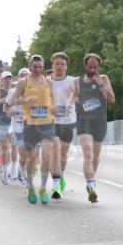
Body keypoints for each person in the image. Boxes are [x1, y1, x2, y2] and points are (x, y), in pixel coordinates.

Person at [7, 55, 57, 204]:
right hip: (30, 124)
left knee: (47, 155)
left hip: (47, 123)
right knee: (32, 157)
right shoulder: (23, 82)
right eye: (35, 67)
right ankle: (30, 187)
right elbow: (12, 100)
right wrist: (24, 100)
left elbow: (53, 99)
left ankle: (42, 188)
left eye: (40, 67)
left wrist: (54, 109)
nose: (38, 69)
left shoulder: (48, 81)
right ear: (30, 67)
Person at [69, 53, 114, 203]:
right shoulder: (77, 81)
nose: (93, 69)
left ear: (99, 67)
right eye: (90, 66)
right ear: (85, 66)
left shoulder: (104, 79)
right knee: (88, 154)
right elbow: (73, 96)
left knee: (95, 156)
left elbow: (111, 99)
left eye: (95, 67)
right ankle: (91, 186)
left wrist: (99, 83)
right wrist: (73, 102)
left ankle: (91, 179)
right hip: (84, 121)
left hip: (99, 122)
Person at [49, 52, 76, 199]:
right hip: (52, 121)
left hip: (68, 121)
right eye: (57, 63)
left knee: (63, 154)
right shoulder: (47, 81)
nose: (59, 66)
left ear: (66, 66)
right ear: (52, 65)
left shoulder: (72, 81)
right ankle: (56, 185)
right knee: (55, 150)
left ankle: (60, 174)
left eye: (62, 64)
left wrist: (70, 103)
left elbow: (76, 94)